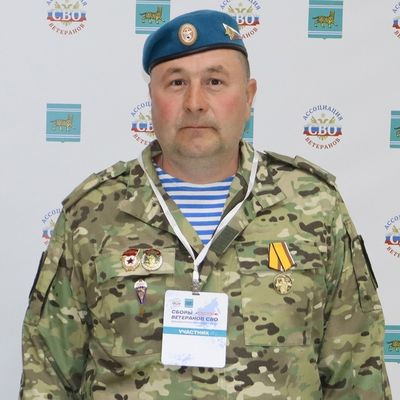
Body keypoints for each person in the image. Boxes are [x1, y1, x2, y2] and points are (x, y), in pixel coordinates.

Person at [20, 9, 392, 400]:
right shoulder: (93, 213)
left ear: (248, 97)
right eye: (176, 82)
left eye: (215, 81)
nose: (195, 102)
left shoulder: (313, 205)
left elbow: (357, 373)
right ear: (152, 97)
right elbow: (47, 376)